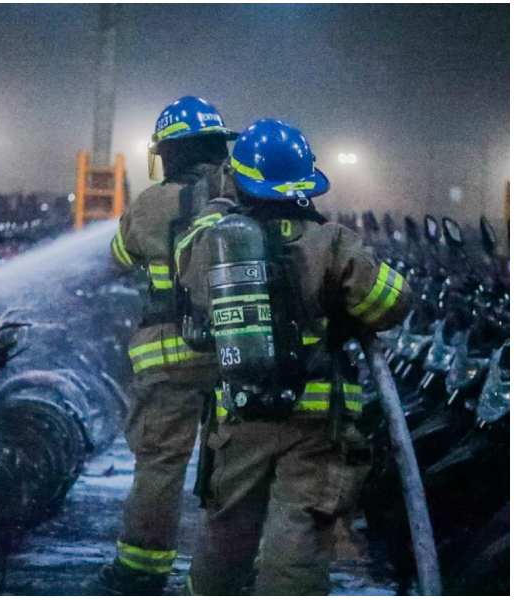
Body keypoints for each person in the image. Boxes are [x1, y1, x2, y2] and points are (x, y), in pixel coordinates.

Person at [174, 118, 413, 595]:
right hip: (316, 424)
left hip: (241, 415)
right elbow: (391, 304)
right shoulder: (332, 241)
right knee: (298, 534)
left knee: (227, 530)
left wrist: (219, 205)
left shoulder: (212, 243)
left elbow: (189, 278)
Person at [98, 96, 238, 595]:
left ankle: (142, 570)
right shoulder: (244, 195)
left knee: (160, 464)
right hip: (237, 356)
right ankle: (227, 575)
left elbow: (118, 257)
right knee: (237, 467)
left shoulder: (150, 204)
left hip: (167, 357)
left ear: (169, 153)